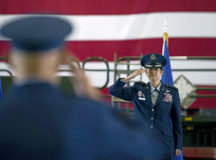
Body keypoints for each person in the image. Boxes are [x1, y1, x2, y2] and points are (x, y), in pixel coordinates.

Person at [0, 15, 162, 160]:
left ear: (8, 59)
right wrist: (94, 102)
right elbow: (146, 149)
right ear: (63, 59)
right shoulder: (89, 115)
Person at [109, 53, 183, 160]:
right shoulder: (137, 90)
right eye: (150, 69)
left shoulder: (172, 92)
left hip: (164, 143)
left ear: (161, 72)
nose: (153, 72)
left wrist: (178, 145)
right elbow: (113, 90)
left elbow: (176, 121)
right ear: (146, 72)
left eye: (156, 69)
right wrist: (131, 76)